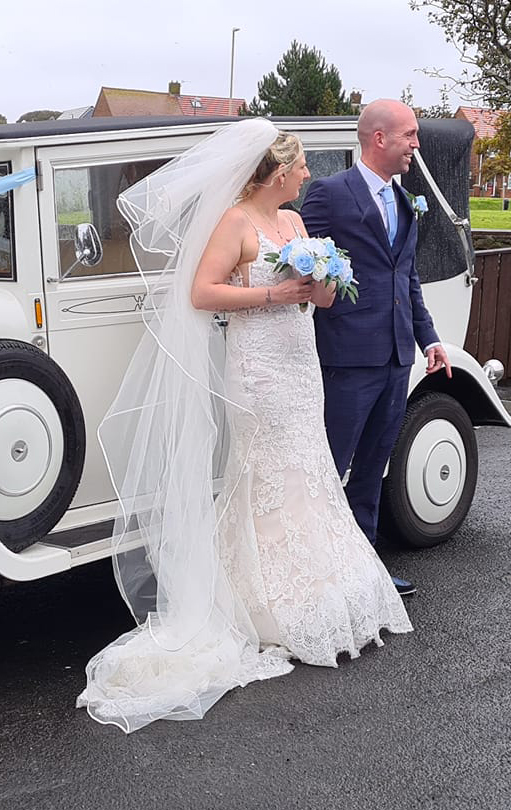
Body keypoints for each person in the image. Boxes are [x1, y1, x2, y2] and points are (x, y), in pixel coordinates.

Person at [78, 118, 412, 734]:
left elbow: (320, 298)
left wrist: (322, 286)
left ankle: (325, 589)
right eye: (302, 166)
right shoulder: (234, 222)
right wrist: (271, 297)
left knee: (310, 470)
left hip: (300, 363)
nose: (309, 175)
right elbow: (201, 294)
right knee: (263, 475)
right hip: (256, 369)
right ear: (277, 172)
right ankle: (264, 602)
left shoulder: (294, 223)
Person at [300, 99, 452, 597]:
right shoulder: (328, 195)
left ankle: (364, 571)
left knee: (372, 468)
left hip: (395, 359)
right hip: (344, 358)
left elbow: (405, 277)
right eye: (409, 135)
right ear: (379, 138)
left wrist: (428, 339)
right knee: (332, 466)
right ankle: (321, 573)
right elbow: (305, 267)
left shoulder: (406, 200)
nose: (416, 144)